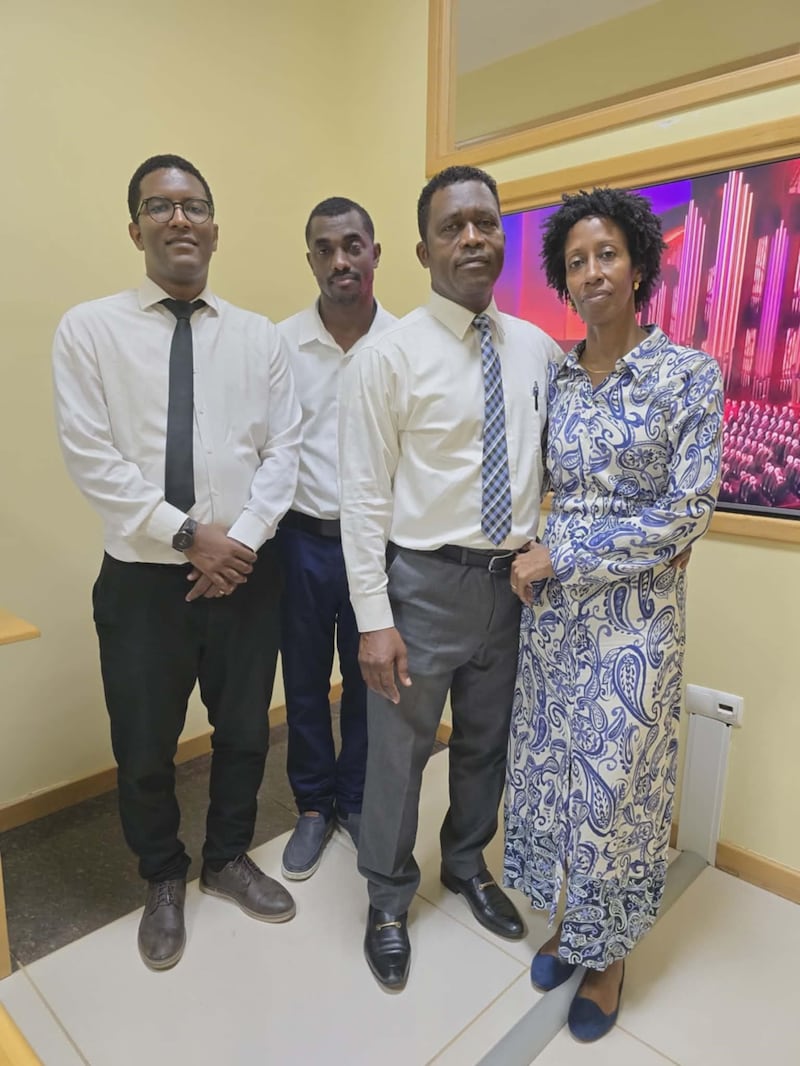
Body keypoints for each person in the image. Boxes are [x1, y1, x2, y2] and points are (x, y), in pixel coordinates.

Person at [52, 154, 302, 971]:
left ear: (215, 228)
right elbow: (92, 456)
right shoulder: (89, 329)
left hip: (244, 578)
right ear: (135, 229)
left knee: (241, 735)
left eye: (194, 205)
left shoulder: (260, 337)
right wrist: (191, 536)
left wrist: (244, 544)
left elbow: (285, 454)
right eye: (160, 207)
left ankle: (227, 858)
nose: (180, 219)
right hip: (142, 584)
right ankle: (162, 876)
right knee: (145, 745)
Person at [504, 187, 723, 1041]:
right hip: (555, 622)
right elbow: (545, 487)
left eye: (607, 255)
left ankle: (611, 952)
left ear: (638, 266)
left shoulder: (687, 375)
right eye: (576, 262)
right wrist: (538, 548)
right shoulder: (557, 378)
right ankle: (573, 920)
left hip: (637, 625)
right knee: (558, 780)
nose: (592, 272)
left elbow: (687, 510)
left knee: (616, 794)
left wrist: (570, 551)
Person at [339, 165, 564, 992]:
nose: (472, 238)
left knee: (484, 741)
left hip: (510, 586)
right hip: (422, 585)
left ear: (502, 235)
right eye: (452, 226)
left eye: (486, 223)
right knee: (399, 752)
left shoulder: (537, 348)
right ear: (427, 245)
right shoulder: (387, 357)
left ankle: (467, 863)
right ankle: (389, 898)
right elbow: (361, 497)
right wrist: (373, 617)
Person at [277, 197, 396, 880]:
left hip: (378, 547)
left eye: (352, 244)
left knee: (367, 680)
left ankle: (354, 799)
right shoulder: (281, 344)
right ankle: (313, 806)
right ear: (312, 260)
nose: (340, 260)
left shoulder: (406, 345)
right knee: (301, 682)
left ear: (375, 253)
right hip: (300, 542)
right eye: (324, 248)